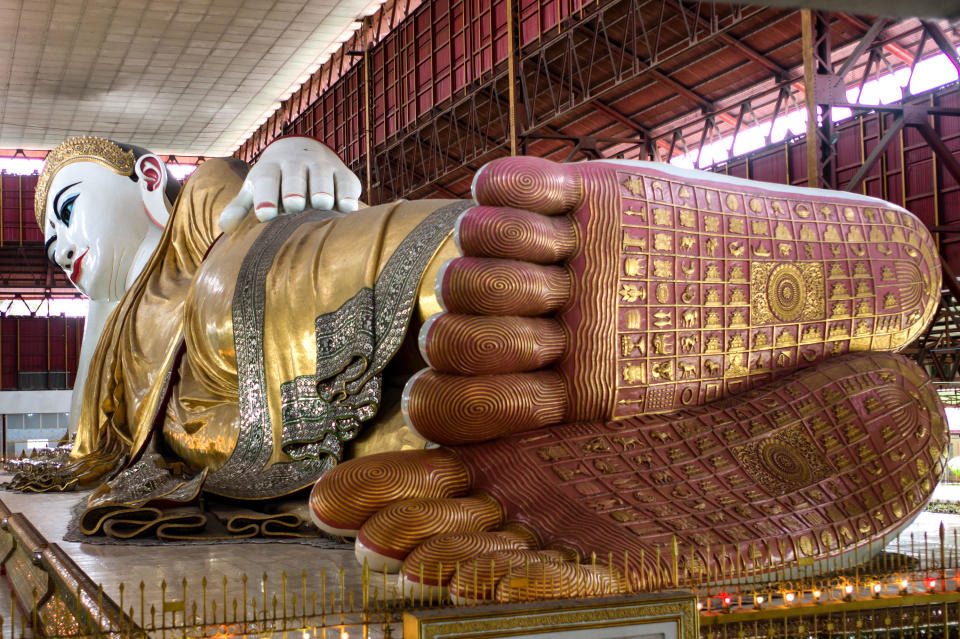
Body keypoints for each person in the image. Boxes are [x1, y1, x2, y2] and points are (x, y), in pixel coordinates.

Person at [26, 140, 947, 588]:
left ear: (147, 180)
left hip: (252, 290)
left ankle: (522, 280)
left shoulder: (191, 215)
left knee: (257, 281)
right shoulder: (115, 348)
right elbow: (90, 442)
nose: (59, 244)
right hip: (233, 434)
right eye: (45, 238)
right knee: (414, 443)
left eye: (67, 208)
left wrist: (289, 156)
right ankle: (577, 418)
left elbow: (236, 194)